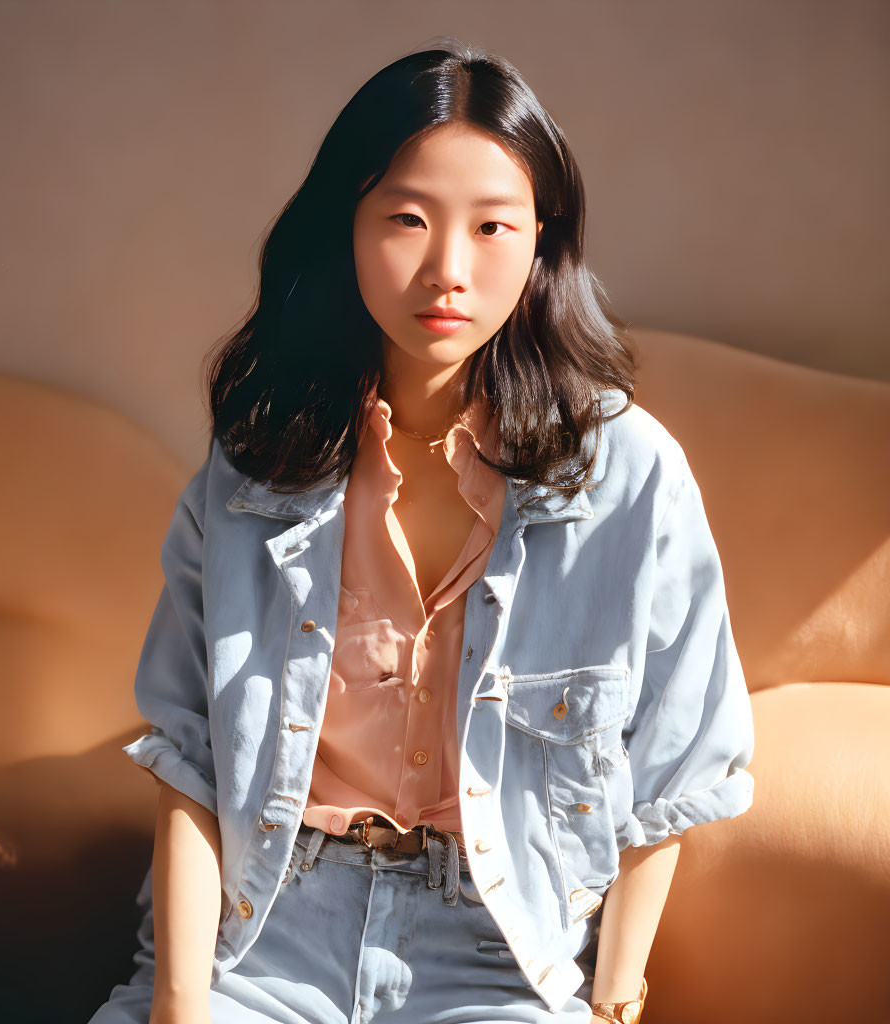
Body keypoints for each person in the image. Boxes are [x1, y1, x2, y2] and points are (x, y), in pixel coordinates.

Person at [87, 38, 755, 1024]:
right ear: (344, 228)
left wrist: (615, 1001)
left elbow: (675, 768)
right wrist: (181, 1003)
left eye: (492, 226)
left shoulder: (628, 473)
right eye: (405, 219)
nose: (447, 269)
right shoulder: (260, 457)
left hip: (494, 949)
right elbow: (189, 757)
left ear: (541, 242)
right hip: (261, 929)